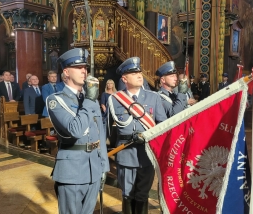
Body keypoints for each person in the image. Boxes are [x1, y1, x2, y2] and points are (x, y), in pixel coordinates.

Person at [46, 48, 109, 213]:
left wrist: (104, 166)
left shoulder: (90, 99)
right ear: (66, 72)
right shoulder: (56, 100)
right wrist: (89, 99)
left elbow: (100, 133)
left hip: (94, 168)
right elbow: (75, 130)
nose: (84, 70)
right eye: (78, 67)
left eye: (85, 67)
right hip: (72, 171)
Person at [107, 57, 167, 214]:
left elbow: (164, 126)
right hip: (125, 154)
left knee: (142, 194)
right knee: (127, 194)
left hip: (147, 154)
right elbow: (108, 129)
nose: (140, 75)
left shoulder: (153, 97)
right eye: (134, 73)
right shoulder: (114, 100)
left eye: (139, 72)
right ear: (124, 78)